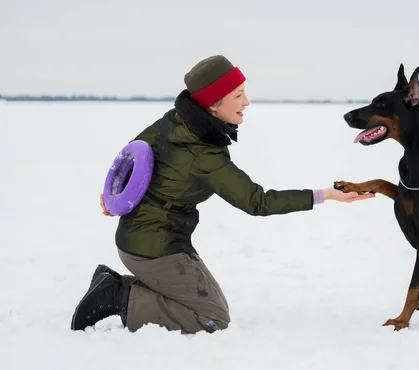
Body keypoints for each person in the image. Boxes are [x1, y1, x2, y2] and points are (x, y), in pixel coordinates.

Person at [70, 55, 374, 333]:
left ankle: (116, 285)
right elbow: (257, 202)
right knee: (212, 318)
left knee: (213, 304)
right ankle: (117, 295)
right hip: (151, 247)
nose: (247, 101)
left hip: (155, 238)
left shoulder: (176, 121)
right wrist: (326, 195)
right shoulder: (204, 155)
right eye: (238, 95)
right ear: (213, 104)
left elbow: (132, 153)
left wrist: (115, 196)